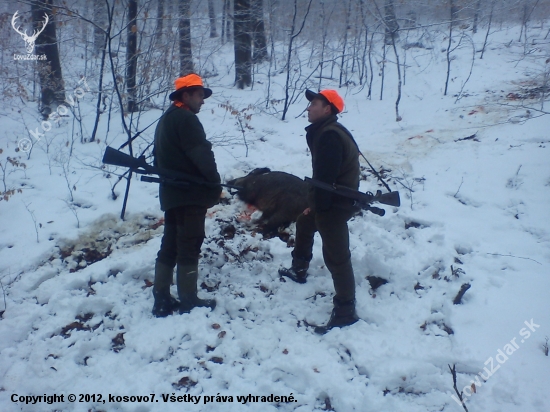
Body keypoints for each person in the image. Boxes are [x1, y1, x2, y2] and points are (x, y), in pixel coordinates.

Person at [279, 89, 360, 334]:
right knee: (304, 223)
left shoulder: (329, 137)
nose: (309, 107)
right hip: (330, 199)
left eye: (314, 103)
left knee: (336, 256)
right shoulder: (326, 131)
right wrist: (312, 207)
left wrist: (318, 208)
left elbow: (325, 180)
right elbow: (323, 179)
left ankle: (346, 309)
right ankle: (299, 268)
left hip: (334, 204)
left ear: (328, 109)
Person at [152, 74, 221, 317]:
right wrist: (214, 183)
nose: (203, 101)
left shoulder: (166, 119)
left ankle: (161, 299)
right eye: (200, 95)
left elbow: (157, 158)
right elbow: (201, 154)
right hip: (190, 196)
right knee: (189, 244)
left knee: (170, 245)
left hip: (171, 195)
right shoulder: (186, 119)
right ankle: (189, 299)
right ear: (186, 95)